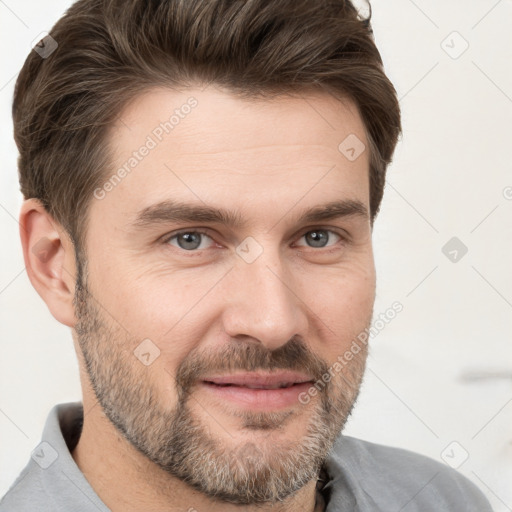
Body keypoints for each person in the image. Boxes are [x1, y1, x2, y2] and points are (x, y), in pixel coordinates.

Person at [0, 0, 494, 511]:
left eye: (318, 236)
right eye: (190, 239)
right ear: (54, 265)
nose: (272, 321)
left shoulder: (443, 500)